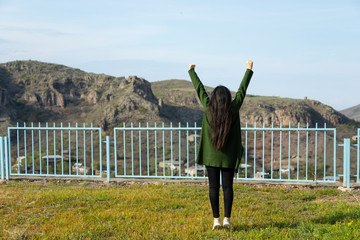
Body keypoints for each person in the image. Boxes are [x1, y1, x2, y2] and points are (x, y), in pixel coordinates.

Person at [188, 60, 253, 230]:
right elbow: (242, 91)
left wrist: (192, 72)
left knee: (213, 187)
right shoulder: (233, 109)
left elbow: (199, 89)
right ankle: (227, 219)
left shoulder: (208, 107)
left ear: (214, 98)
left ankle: (216, 220)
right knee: (228, 187)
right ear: (228, 99)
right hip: (228, 157)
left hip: (211, 157)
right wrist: (248, 70)